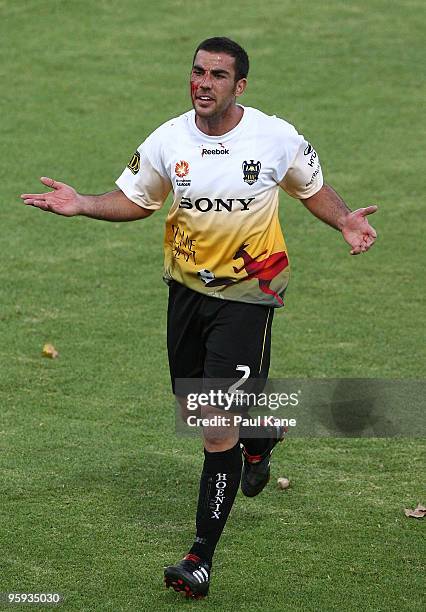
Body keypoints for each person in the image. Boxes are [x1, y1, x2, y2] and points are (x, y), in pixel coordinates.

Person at [20, 37, 378, 600]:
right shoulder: (169, 139)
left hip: (249, 296)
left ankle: (200, 558)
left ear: (240, 86)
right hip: (185, 294)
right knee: (198, 406)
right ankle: (260, 437)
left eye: (216, 75)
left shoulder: (274, 137)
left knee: (214, 428)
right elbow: (137, 199)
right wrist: (83, 203)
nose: (202, 84)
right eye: (196, 73)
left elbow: (310, 188)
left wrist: (346, 222)